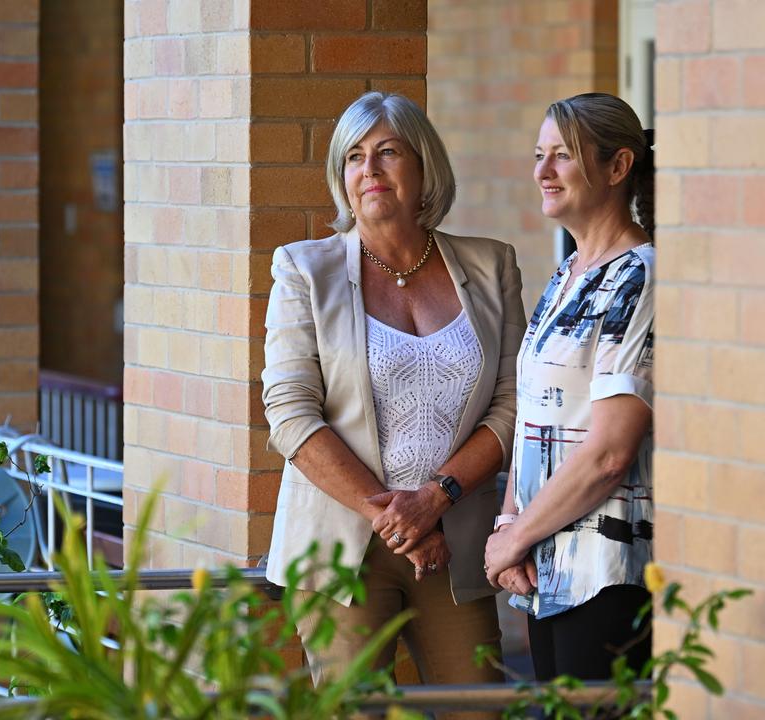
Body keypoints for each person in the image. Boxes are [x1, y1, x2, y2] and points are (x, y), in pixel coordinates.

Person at [261, 91, 525, 710]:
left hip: (453, 539)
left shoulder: (492, 265)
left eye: (387, 152)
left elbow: (515, 404)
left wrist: (434, 500)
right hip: (340, 545)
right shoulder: (304, 269)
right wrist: (397, 519)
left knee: (480, 708)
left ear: (425, 166)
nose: (369, 170)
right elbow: (289, 412)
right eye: (353, 157)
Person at [484, 92, 656, 682]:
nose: (542, 172)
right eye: (539, 155)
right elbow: (533, 417)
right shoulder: (568, 273)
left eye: (562, 156)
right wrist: (511, 530)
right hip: (545, 567)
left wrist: (513, 540)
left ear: (617, 167)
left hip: (607, 572)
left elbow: (610, 453)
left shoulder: (641, 276)